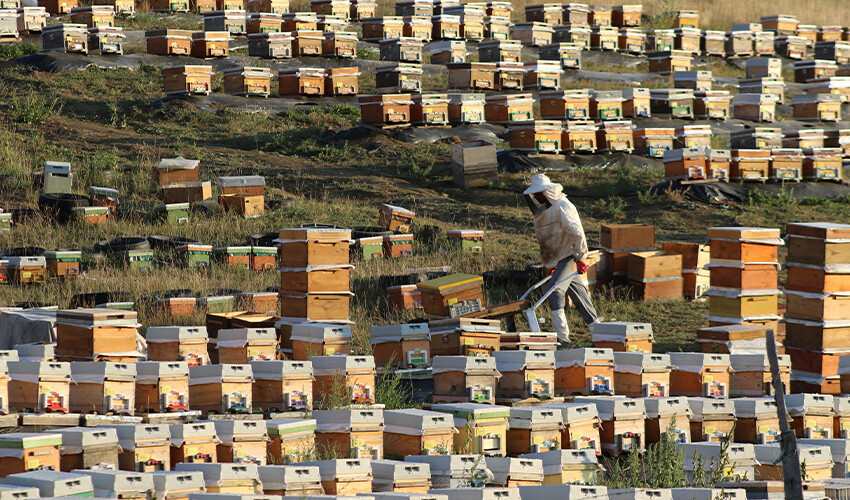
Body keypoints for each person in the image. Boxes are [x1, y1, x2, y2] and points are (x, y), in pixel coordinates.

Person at [523, 174, 598, 346]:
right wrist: (550, 266)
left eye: (538, 194)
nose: (536, 197)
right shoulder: (546, 210)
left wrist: (580, 257)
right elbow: (548, 240)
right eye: (535, 194)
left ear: (547, 192)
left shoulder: (562, 206)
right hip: (558, 259)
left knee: (554, 291)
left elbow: (577, 232)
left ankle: (561, 338)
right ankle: (599, 335)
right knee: (580, 297)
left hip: (570, 257)